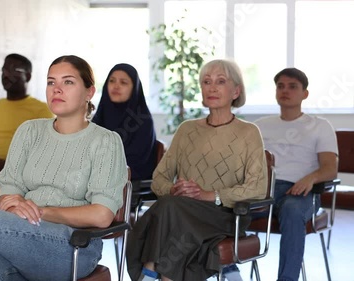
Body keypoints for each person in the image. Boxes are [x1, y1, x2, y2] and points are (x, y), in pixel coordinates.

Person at [0, 55, 128, 281]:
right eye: (51, 82)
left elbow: (102, 215)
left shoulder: (105, 141)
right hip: (23, 238)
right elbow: (10, 188)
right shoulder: (29, 131)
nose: (56, 89)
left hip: (74, 247)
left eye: (68, 82)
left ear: (89, 92)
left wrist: (41, 211)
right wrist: (13, 206)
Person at [126, 59, 268, 281]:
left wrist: (208, 195)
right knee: (173, 208)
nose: (212, 87)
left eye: (220, 81)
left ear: (236, 91)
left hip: (225, 215)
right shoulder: (187, 129)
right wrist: (174, 190)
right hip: (179, 212)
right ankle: (163, 275)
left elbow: (257, 188)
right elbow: (159, 178)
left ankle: (149, 269)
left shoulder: (249, 132)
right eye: (206, 81)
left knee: (171, 210)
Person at [223, 67, 339, 281]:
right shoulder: (259, 127)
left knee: (292, 210)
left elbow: (330, 168)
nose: (285, 91)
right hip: (261, 190)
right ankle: (229, 270)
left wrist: (310, 178)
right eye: (280, 86)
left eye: (293, 87)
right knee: (225, 207)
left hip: (301, 192)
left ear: (305, 93)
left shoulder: (320, 126)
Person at [0, 54, 53, 210]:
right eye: (4, 70)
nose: (6, 74)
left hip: (13, 173)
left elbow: (42, 156)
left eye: (14, 70)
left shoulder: (42, 110)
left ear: (27, 76)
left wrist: (4, 165)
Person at [92, 63, 156, 181]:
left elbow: (136, 161)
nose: (116, 86)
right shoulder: (100, 116)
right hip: (96, 179)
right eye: (112, 81)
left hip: (130, 184)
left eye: (123, 82)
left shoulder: (142, 119)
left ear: (134, 88)